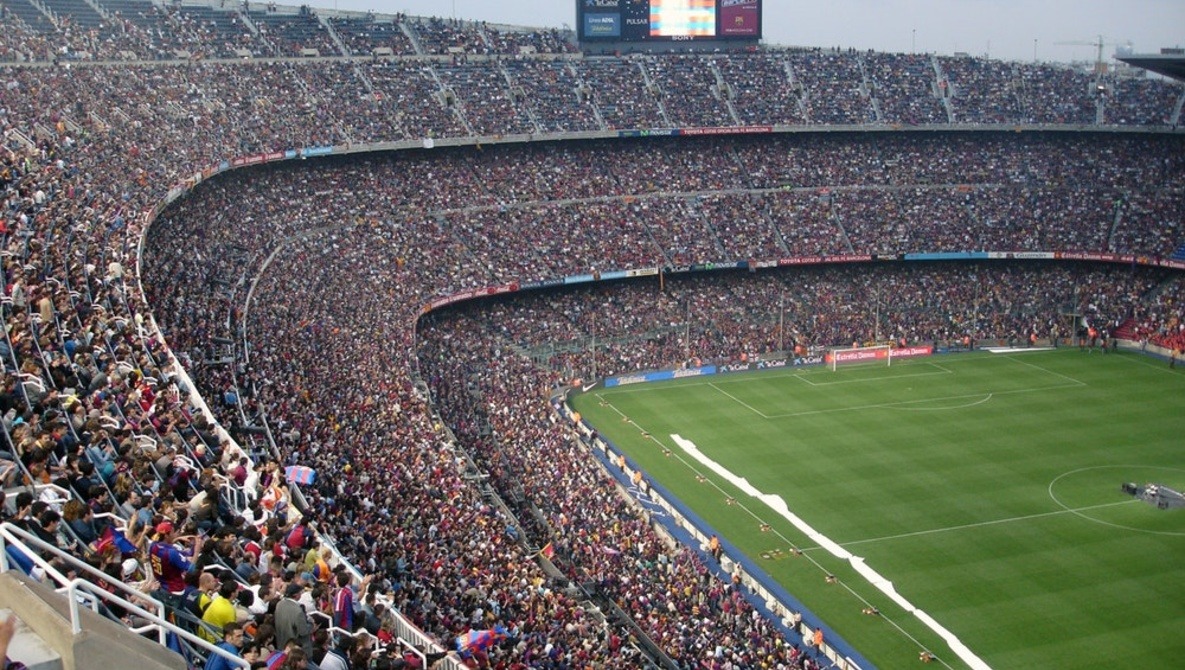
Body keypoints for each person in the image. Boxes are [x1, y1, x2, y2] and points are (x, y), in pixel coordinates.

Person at [149, 521, 204, 594]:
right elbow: (191, 569)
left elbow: (183, 553)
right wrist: (197, 551)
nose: (176, 534)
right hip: (174, 590)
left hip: (161, 583)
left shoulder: (153, 545)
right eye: (173, 532)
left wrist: (178, 539)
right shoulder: (171, 553)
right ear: (166, 536)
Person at [274, 582, 313, 657]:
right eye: (300, 592)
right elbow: (303, 631)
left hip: (281, 645)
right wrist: (311, 625)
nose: (301, 594)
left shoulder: (279, 604)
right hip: (297, 651)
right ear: (295, 595)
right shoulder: (298, 611)